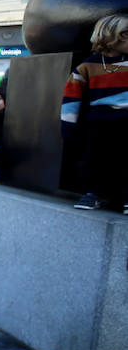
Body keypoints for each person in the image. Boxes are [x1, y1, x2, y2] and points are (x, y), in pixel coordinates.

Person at [62, 14, 128, 211]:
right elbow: (71, 96)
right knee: (94, 159)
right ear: (115, 38)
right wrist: (67, 125)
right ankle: (93, 194)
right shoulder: (88, 66)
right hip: (99, 122)